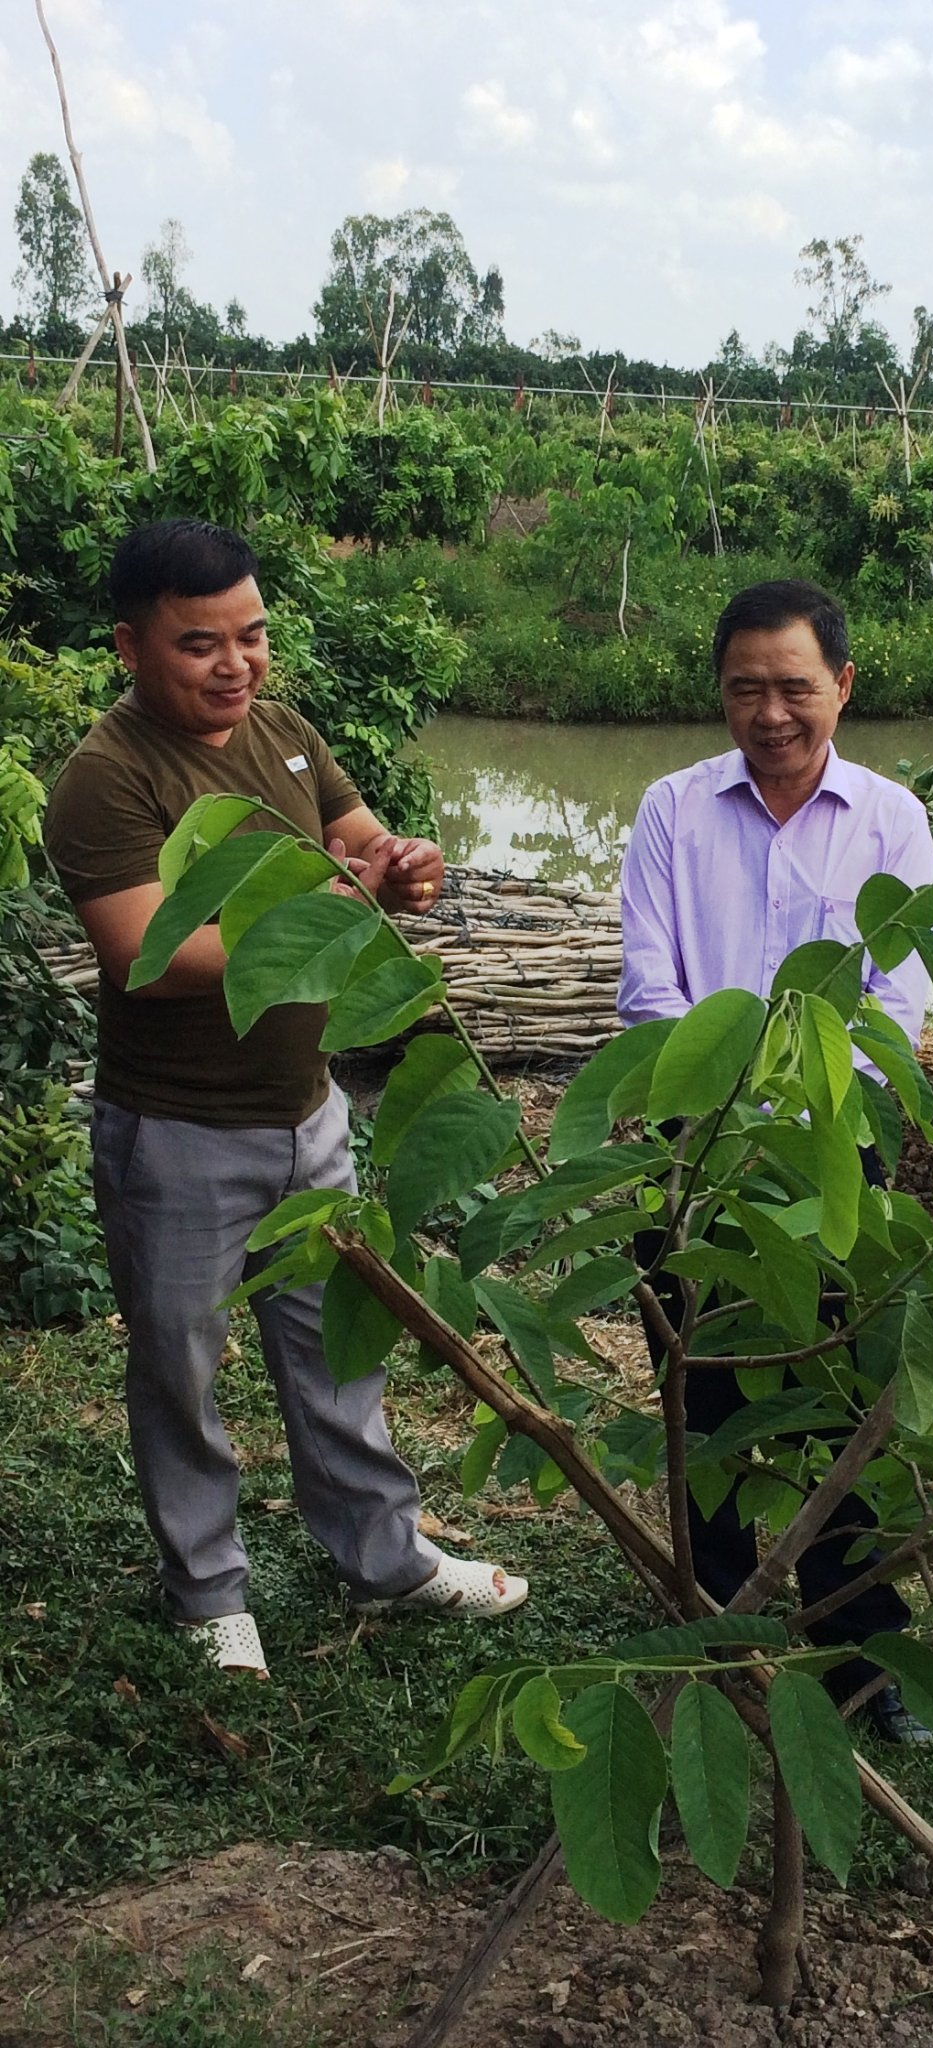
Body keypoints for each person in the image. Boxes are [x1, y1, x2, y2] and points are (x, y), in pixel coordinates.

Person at [42, 518, 529, 1681]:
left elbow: (368, 847)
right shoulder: (106, 778)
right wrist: (334, 911)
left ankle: (383, 1552)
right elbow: (143, 949)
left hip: (309, 1115)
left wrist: (404, 866)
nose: (235, 665)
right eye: (198, 642)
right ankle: (208, 1589)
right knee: (181, 1365)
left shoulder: (289, 737)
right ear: (128, 646)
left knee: (338, 1351)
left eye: (252, 635)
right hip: (177, 1131)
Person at [617, 578, 933, 1743]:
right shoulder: (670, 807)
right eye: (745, 688)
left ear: (842, 686)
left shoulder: (892, 821)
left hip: (831, 1165)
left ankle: (855, 1659)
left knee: (837, 1412)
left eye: (795, 686)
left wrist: (789, 1108)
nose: (770, 712)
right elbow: (649, 990)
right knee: (698, 1406)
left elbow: (897, 1004)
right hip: (692, 1167)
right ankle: (719, 1638)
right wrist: (722, 1110)